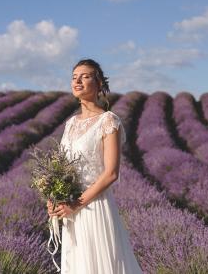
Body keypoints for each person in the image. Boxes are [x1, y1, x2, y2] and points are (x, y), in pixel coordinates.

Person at [47, 58, 143, 273]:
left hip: (93, 206)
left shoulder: (109, 121)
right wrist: (53, 198)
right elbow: (61, 168)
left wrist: (77, 204)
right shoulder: (71, 123)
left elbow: (111, 173)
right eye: (74, 77)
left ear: (99, 84)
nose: (77, 81)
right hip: (71, 210)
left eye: (85, 76)